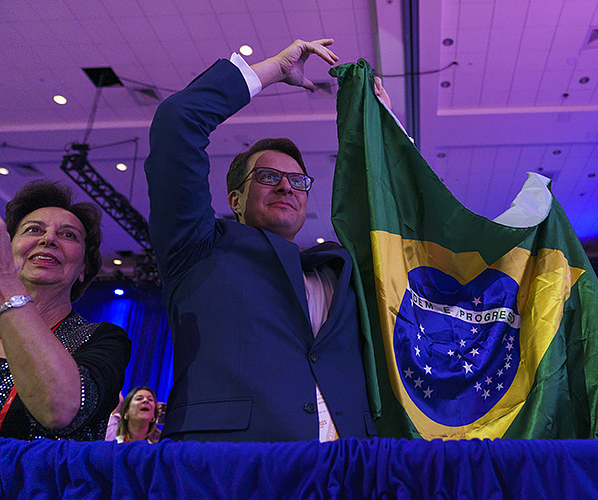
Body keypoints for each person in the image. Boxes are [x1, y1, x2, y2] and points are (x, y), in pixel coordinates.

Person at [144, 39, 375, 442]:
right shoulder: (198, 246)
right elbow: (177, 122)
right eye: (268, 177)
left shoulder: (341, 268)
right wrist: (272, 69)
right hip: (231, 467)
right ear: (235, 199)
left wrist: (385, 129)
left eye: (298, 181)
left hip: (349, 468)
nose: (287, 187)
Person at [0, 180, 131, 440]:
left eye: (68, 235)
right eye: (33, 229)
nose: (48, 239)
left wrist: (5, 278)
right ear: (10, 247)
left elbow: (59, 411)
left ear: (83, 268)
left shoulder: (103, 339)